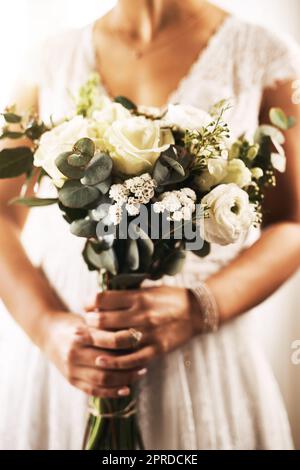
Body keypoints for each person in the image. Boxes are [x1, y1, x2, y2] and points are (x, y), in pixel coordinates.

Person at [0, 0, 300, 450]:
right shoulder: (50, 58)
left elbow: (292, 223)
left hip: (202, 354)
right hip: (72, 352)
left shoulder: (260, 53)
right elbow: (2, 212)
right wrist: (47, 328)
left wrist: (199, 308)